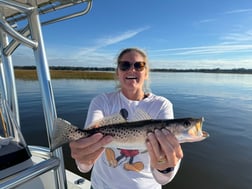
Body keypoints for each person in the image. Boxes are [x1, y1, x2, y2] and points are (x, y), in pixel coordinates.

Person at [69, 47, 183, 189]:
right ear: (118, 72)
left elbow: (163, 179)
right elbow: (84, 167)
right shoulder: (101, 101)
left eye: (139, 65)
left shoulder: (162, 105)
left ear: (146, 72)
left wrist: (165, 167)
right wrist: (84, 158)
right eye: (124, 65)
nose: (131, 70)